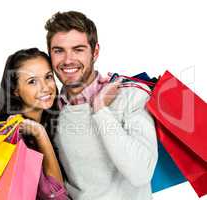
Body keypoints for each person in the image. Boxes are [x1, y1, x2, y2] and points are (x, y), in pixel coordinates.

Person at [45, 11, 158, 200]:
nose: (67, 60)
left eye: (78, 49)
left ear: (95, 52)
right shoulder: (51, 111)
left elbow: (141, 173)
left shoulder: (131, 95)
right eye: (59, 51)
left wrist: (100, 110)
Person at [0, 48, 68, 199]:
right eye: (32, 81)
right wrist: (40, 134)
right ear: (15, 90)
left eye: (48, 77)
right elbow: (55, 195)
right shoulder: (11, 138)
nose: (45, 87)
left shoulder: (56, 121)